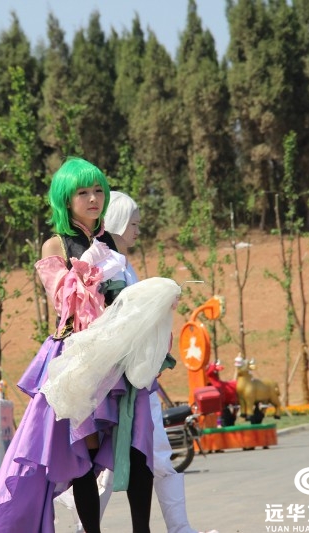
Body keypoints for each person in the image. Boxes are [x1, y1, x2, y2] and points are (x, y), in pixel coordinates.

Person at [0, 158, 173, 533]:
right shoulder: (54, 244)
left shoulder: (110, 242)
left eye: (98, 190)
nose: (93, 198)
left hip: (119, 357)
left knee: (138, 445)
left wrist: (154, 301)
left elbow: (126, 298)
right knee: (83, 452)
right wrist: (88, 272)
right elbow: (63, 301)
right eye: (83, 192)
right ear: (65, 199)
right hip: (78, 357)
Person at [59, 191, 219, 533]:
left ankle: (173, 527)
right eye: (133, 224)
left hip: (133, 374)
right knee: (135, 455)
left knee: (144, 455)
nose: (138, 231)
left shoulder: (121, 263)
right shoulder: (100, 260)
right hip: (112, 374)